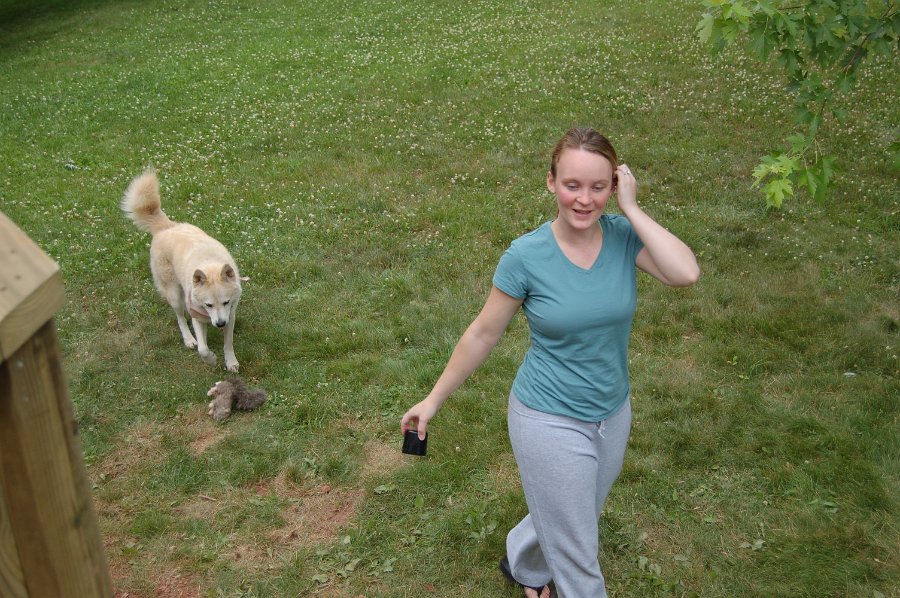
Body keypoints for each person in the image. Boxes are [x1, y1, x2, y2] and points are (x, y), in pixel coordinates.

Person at [400, 127, 700, 597]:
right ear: (551, 182)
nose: (584, 199)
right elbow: (483, 333)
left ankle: (524, 561)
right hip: (547, 416)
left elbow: (685, 273)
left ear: (614, 186)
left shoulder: (624, 237)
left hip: (612, 411)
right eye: (572, 185)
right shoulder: (526, 256)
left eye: (598, 187)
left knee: (575, 513)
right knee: (579, 552)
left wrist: (633, 209)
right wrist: (434, 399)